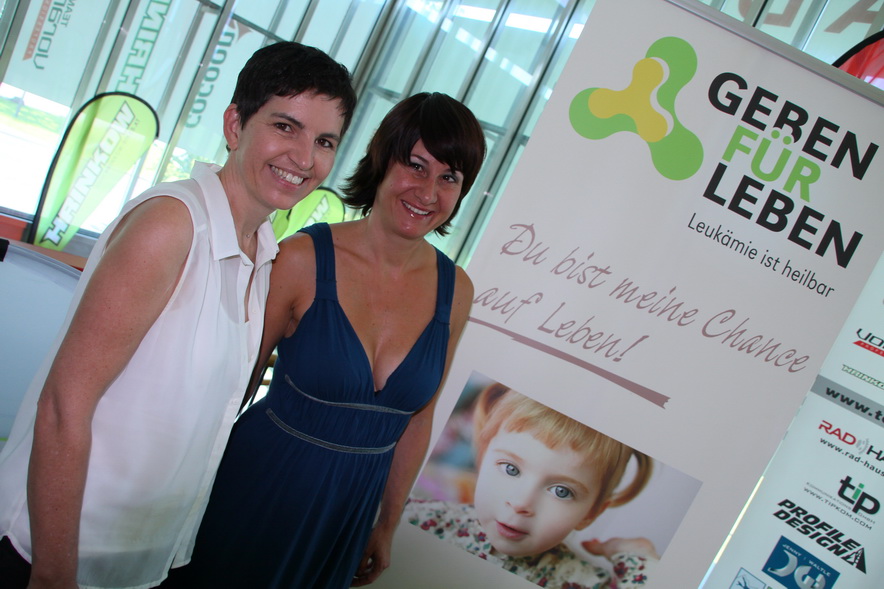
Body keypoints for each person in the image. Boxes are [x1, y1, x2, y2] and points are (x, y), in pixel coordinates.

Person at [0, 42, 356, 589]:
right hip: (55, 549)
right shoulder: (173, 225)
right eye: (285, 127)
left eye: (324, 141)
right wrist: (54, 573)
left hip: (139, 557)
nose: (305, 158)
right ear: (235, 125)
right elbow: (62, 406)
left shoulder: (262, 249)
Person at [176, 92, 486, 589]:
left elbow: (418, 418)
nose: (428, 192)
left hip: (349, 514)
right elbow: (237, 381)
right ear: (382, 159)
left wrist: (386, 523)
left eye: (449, 177)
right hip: (259, 483)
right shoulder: (301, 258)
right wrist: (176, 484)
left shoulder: (457, 290)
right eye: (415, 166)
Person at [404, 383, 659, 589]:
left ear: (590, 513)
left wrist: (637, 557)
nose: (521, 503)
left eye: (561, 491)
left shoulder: (584, 582)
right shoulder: (419, 519)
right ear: (482, 460)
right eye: (511, 469)